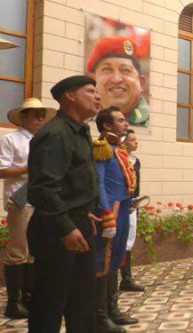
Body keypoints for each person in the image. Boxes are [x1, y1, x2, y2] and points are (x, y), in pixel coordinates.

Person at [27, 75, 101, 333]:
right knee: (50, 303)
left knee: (81, 301)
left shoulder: (79, 131)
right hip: (56, 228)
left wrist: (82, 212)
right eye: (90, 91)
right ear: (69, 96)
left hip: (75, 220)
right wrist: (66, 227)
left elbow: (73, 181)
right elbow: (44, 187)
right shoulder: (56, 133)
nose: (97, 96)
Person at [1, 98, 56, 318]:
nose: (40, 119)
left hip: (42, 200)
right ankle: (13, 303)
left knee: (35, 252)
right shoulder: (10, 140)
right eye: (35, 115)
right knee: (18, 252)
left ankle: (29, 297)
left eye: (43, 115)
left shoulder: (46, 141)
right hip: (20, 200)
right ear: (23, 117)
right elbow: (2, 170)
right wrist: (29, 168)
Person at [92, 107, 138, 332]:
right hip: (110, 212)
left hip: (123, 209)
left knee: (116, 259)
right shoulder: (102, 148)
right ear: (107, 125)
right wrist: (106, 212)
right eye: (120, 120)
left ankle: (112, 309)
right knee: (104, 260)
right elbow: (99, 183)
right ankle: (100, 315)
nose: (125, 123)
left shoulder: (117, 149)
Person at [87, 35, 149, 126]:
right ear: (93, 82)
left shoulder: (155, 122)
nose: (116, 79)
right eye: (107, 70)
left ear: (141, 83)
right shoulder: (84, 122)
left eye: (125, 70)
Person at [119, 129, 145, 292]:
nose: (136, 142)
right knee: (118, 240)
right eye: (132, 140)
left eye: (136, 139)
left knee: (129, 239)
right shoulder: (117, 159)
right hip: (120, 204)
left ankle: (126, 278)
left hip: (132, 205)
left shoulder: (136, 161)